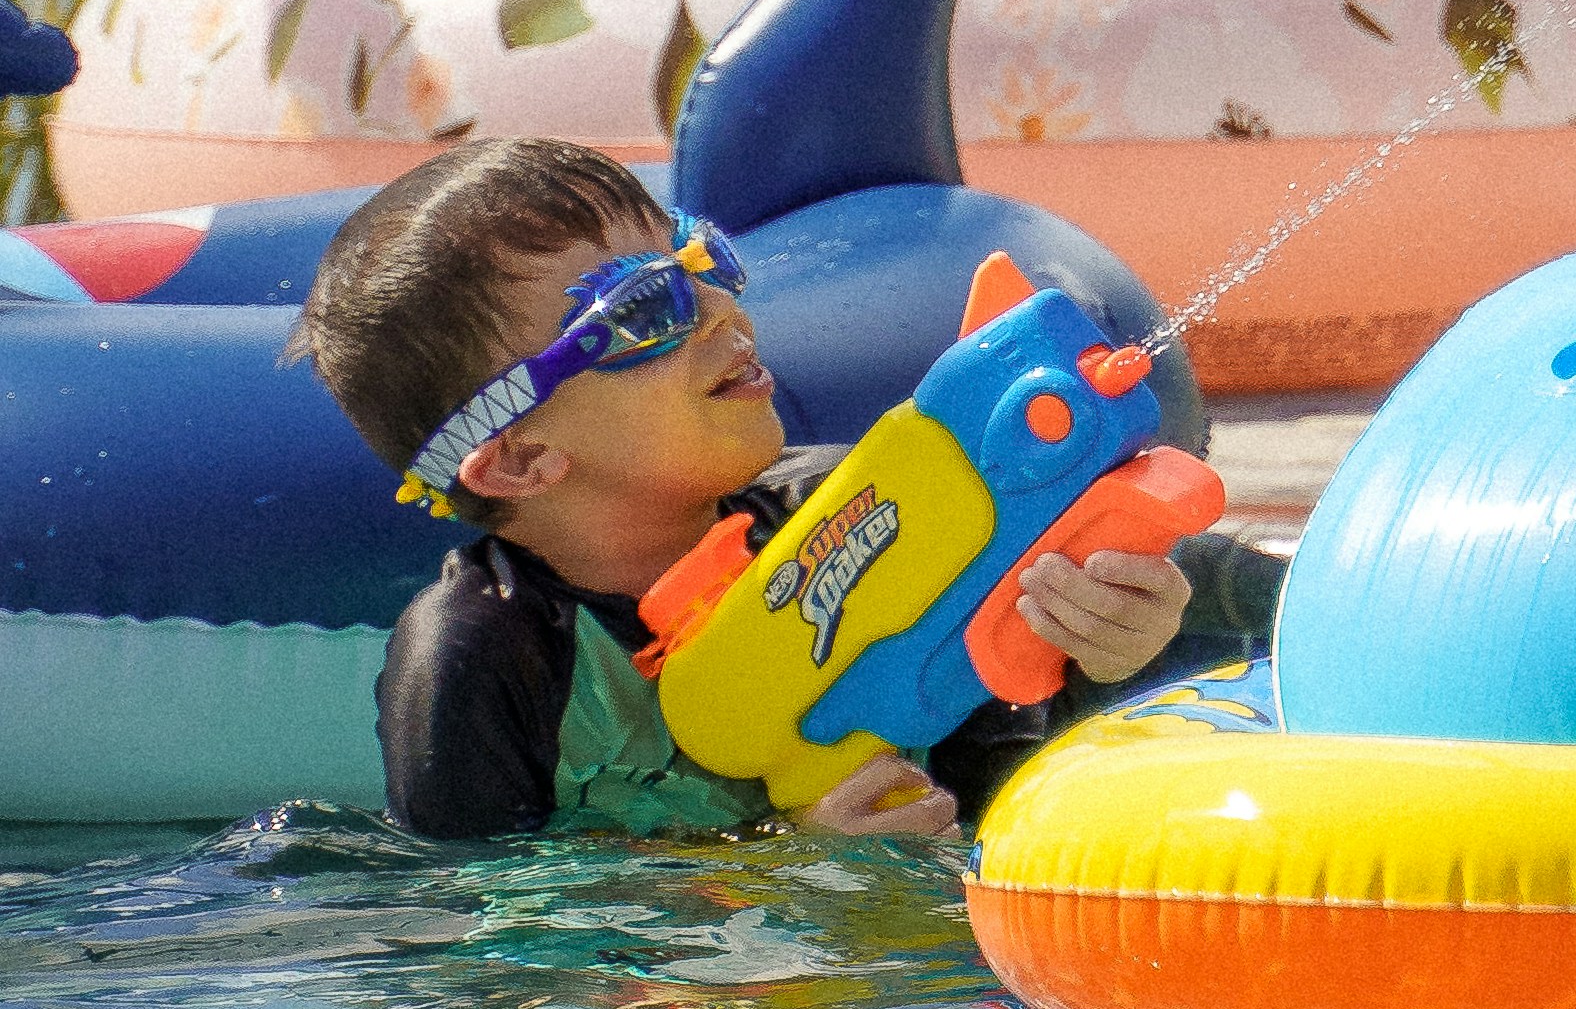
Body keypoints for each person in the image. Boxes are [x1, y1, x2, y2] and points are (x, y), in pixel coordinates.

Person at [300, 135, 1261, 849]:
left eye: (697, 259)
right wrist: (787, 866)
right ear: (517, 458)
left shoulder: (838, 515)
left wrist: (1111, 648)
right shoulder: (482, 656)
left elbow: (1001, 758)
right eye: (643, 310)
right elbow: (495, 951)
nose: (719, 306)